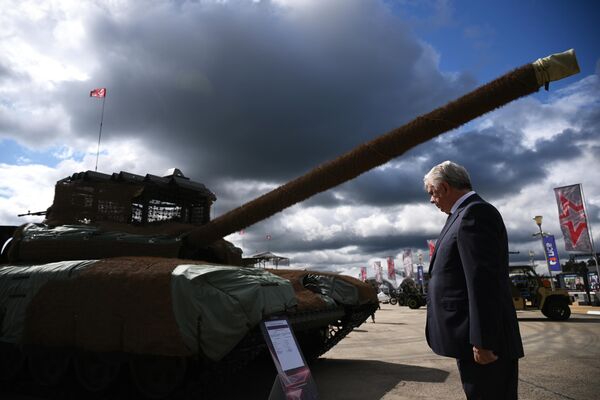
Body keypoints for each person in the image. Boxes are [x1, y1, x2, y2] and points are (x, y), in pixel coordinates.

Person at [423, 161, 524, 400]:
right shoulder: (459, 215)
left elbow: (483, 281)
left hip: (484, 344)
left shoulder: (475, 213)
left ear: (445, 187)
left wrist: (483, 340)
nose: (431, 200)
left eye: (431, 193)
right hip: (468, 340)